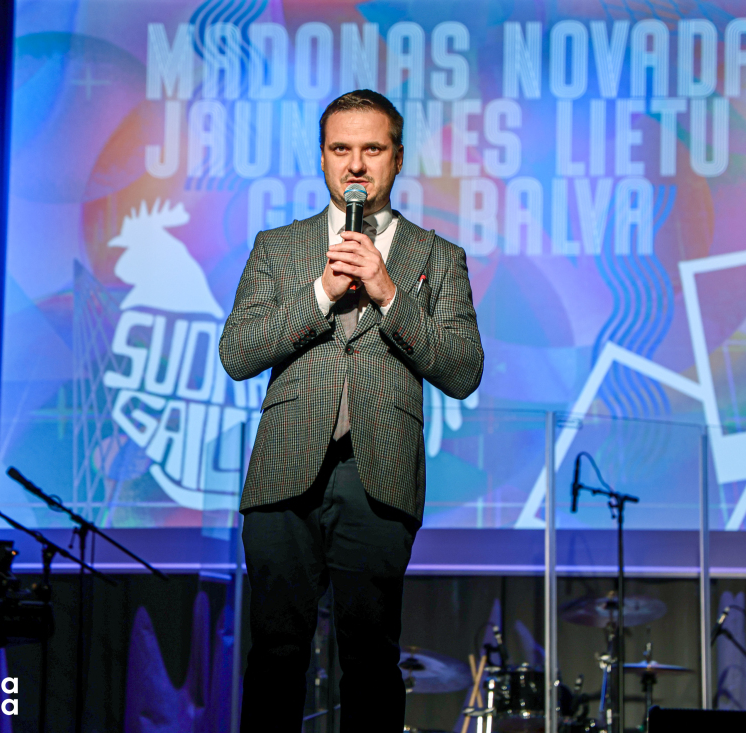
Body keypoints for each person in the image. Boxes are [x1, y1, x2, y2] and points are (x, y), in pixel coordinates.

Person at [219, 89, 484, 732]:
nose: (356, 164)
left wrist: (390, 294)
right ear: (322, 158)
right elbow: (237, 353)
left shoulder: (437, 257)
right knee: (276, 651)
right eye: (341, 149)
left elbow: (463, 372)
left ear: (397, 158)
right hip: (285, 470)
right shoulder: (279, 246)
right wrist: (321, 292)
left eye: (372, 149)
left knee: (370, 658)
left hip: (379, 474)